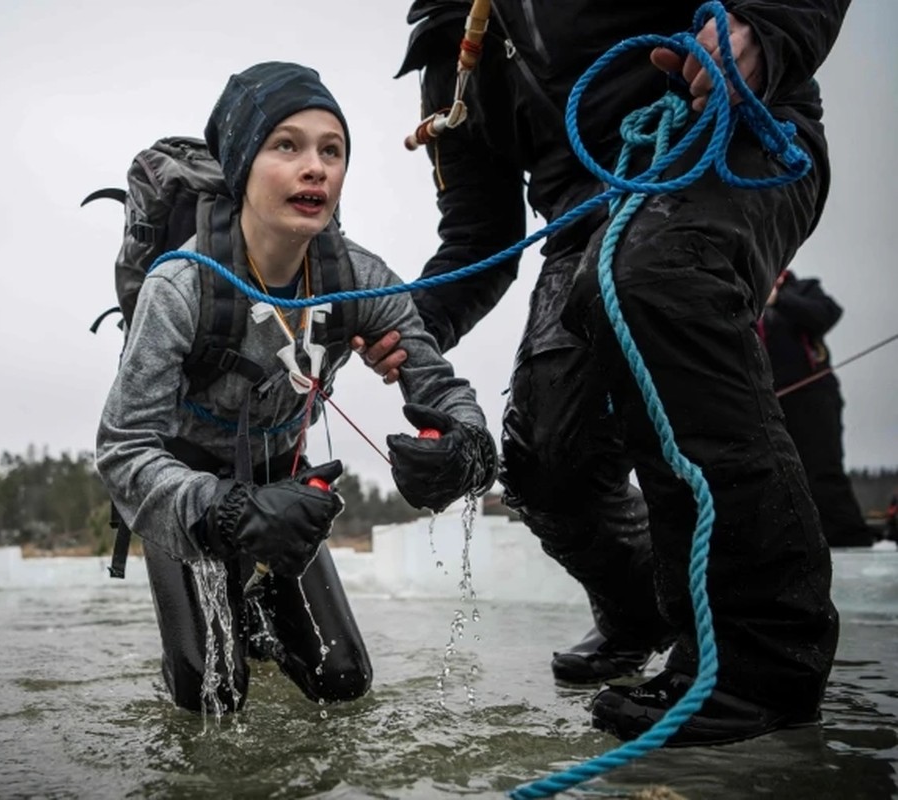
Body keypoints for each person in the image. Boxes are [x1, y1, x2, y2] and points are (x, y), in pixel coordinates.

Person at [354, 0, 846, 745]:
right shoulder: (451, 42)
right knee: (546, 458)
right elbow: (476, 241)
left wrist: (765, 29)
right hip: (578, 226)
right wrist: (397, 323)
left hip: (735, 135)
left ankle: (764, 661)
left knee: (651, 278)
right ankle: (633, 610)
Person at [96, 61, 497, 714]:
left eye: (331, 150)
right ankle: (229, 624)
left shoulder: (359, 279)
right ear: (241, 167)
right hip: (189, 497)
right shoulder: (177, 287)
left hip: (285, 485)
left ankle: (256, 613)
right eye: (286, 145)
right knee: (211, 692)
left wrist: (465, 449)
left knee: (343, 681)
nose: (316, 167)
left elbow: (444, 389)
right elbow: (122, 451)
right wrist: (226, 512)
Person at [756, 269, 873, 547]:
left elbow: (825, 314)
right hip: (763, 403)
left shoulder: (804, 289)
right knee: (769, 481)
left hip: (811, 397)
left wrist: (777, 299)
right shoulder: (744, 294)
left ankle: (850, 544)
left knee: (822, 473)